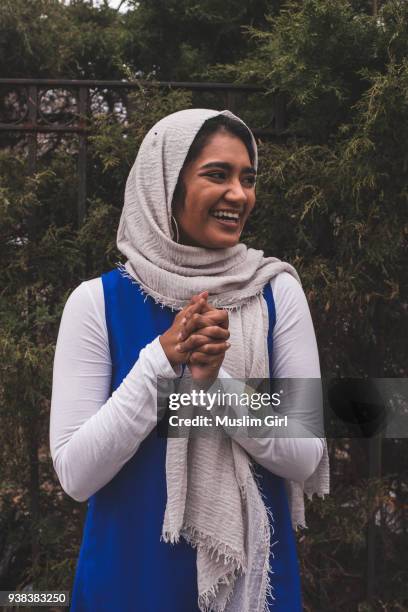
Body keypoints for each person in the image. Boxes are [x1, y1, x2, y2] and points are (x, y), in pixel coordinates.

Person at [50, 108, 329, 612]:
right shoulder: (96, 304)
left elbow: (306, 452)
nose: (239, 195)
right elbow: (75, 474)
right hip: (130, 581)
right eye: (217, 175)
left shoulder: (276, 293)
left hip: (250, 589)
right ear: (166, 185)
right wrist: (160, 359)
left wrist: (214, 385)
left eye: (247, 178)